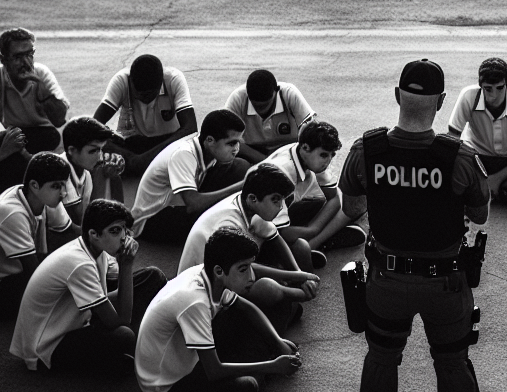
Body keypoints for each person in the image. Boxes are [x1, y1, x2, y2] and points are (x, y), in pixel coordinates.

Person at [341, 59, 504, 392]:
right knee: (452, 363)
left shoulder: (367, 150)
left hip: (386, 280)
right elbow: (480, 213)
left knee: (381, 357)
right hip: (444, 282)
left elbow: (352, 210)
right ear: (442, 103)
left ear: (398, 96)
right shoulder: (459, 156)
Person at [137, 226, 302, 392]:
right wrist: (274, 366)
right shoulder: (194, 301)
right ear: (219, 271)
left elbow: (246, 307)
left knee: (279, 307)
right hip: (167, 386)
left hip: (191, 354)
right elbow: (214, 370)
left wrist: (277, 342)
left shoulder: (209, 275)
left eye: (251, 266)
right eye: (243, 269)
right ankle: (256, 372)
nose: (251, 276)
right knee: (248, 387)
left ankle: (258, 365)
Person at [10, 199, 166, 374]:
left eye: (124, 229)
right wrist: (126, 265)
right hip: (46, 346)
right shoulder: (80, 264)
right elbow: (119, 320)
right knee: (124, 335)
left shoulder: (95, 249)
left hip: (78, 317)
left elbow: (112, 294)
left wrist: (124, 268)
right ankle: (131, 347)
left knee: (153, 277)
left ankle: (130, 347)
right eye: (115, 231)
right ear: (94, 234)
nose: (123, 238)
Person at [177, 164, 325, 300]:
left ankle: (288, 287)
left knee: (301, 247)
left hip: (235, 267)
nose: (281, 207)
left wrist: (298, 273)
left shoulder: (249, 205)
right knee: (269, 289)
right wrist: (297, 277)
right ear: (253, 199)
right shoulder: (227, 224)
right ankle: (292, 293)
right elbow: (243, 268)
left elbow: (275, 238)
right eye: (276, 200)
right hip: (206, 287)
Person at [130, 109, 249, 242]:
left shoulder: (206, 145)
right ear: (210, 140)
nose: (236, 149)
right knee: (219, 216)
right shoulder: (183, 155)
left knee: (240, 167)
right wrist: (240, 186)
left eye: (238, 142)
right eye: (231, 143)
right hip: (154, 218)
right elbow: (193, 204)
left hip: (180, 201)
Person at [447, 57, 507, 204]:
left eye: (499, 88)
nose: (494, 96)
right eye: (488, 89)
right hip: (477, 161)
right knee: (450, 164)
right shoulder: (468, 96)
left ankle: (485, 187)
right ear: (480, 86)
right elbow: (452, 142)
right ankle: (504, 191)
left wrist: (497, 178)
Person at [0, 153, 75, 318]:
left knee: (76, 265)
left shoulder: (43, 197)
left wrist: (102, 234)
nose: (64, 193)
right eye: (57, 186)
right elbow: (34, 272)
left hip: (19, 270)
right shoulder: (11, 213)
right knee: (67, 295)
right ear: (34, 185)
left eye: (64, 185)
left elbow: (70, 231)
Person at [266, 119, 367, 252]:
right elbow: (279, 232)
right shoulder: (282, 172)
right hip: (264, 227)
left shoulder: (309, 158)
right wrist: (311, 230)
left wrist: (313, 230)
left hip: (286, 213)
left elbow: (335, 199)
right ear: (305, 147)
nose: (328, 161)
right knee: (294, 245)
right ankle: (307, 248)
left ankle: (314, 244)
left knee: (353, 203)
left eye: (332, 155)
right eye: (324, 155)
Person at [0, 28, 69, 195]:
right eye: (18, 57)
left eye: (29, 54)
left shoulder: (41, 74)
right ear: (3, 60)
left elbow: (59, 120)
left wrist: (43, 93)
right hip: (16, 139)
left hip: (48, 138)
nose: (26, 63)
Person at [222, 69, 316, 166]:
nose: (260, 110)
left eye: (264, 105)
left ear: (277, 91)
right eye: (255, 106)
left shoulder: (289, 93)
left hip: (290, 150)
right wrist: (265, 160)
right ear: (247, 94)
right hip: (252, 152)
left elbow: (311, 131)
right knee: (237, 164)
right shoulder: (238, 98)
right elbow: (226, 139)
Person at [60, 116, 126, 224]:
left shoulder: (83, 171)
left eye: (100, 150)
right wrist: (100, 174)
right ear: (72, 150)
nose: (99, 157)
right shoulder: (62, 172)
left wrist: (109, 173)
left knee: (114, 177)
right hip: (55, 233)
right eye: (92, 151)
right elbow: (80, 221)